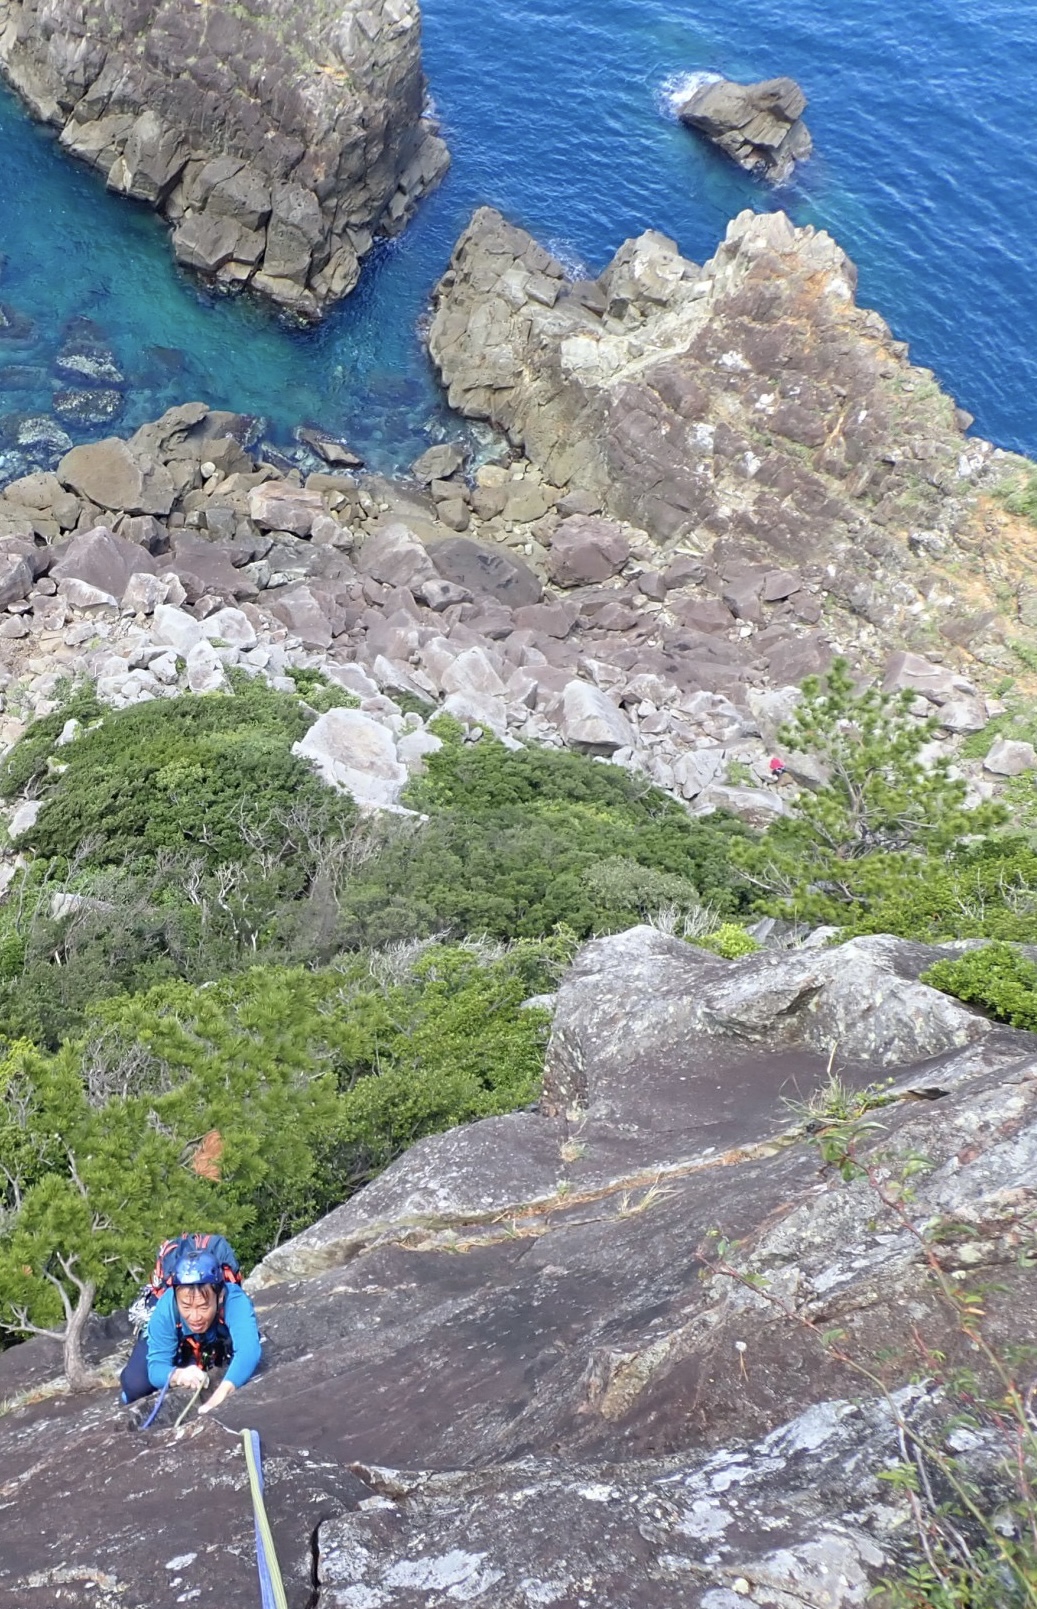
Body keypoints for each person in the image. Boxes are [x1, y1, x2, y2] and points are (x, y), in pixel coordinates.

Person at [120, 1246, 262, 1416]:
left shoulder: (234, 1299)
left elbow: (248, 1350)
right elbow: (156, 1367)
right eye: (186, 1307)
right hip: (182, 1344)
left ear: (220, 1296)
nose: (195, 1317)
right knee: (135, 1384)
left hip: (215, 1338)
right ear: (175, 1297)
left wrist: (221, 1394)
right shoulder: (167, 1307)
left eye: (203, 1307)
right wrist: (178, 1375)